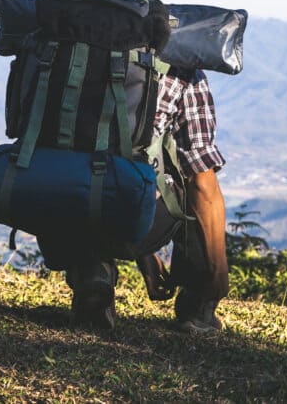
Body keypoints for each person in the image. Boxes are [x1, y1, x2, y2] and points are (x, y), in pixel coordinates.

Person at [37, 66, 229, 333]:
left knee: (82, 173)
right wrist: (218, 273)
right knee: (189, 185)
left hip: (53, 208)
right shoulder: (180, 70)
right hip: (126, 212)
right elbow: (202, 183)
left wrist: (146, 255)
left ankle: (93, 273)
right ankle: (198, 305)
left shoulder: (63, 52)